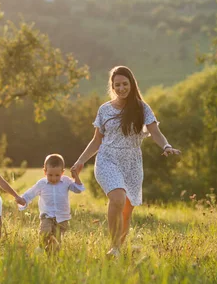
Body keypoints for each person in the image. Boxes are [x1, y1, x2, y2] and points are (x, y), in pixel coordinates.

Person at [70, 66, 180, 258]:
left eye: (125, 84)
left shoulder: (142, 108)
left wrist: (166, 146)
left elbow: (155, 132)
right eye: (117, 85)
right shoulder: (104, 109)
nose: (121, 88)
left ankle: (118, 251)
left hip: (132, 163)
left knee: (127, 211)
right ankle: (113, 246)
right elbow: (97, 140)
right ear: (112, 87)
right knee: (118, 199)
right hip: (107, 159)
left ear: (132, 84)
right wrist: (80, 161)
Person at [18, 154, 85, 253]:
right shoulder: (41, 184)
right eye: (50, 175)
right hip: (47, 215)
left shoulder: (66, 181)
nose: (54, 178)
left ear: (62, 173)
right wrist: (23, 199)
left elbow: (78, 189)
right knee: (45, 232)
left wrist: (76, 177)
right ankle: (41, 247)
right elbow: (31, 193)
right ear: (45, 172)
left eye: (57, 175)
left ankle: (52, 258)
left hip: (62, 217)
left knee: (56, 242)